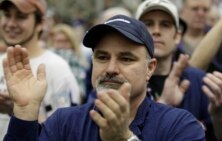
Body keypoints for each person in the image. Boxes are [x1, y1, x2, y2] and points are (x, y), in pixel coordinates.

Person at [3, 15, 205, 141]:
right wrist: (24, 113)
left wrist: (124, 139)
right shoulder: (64, 123)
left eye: (126, 58)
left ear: (149, 68)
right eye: (102, 57)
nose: (110, 69)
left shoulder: (179, 126)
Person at [135, 0, 222, 140]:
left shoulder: (200, 81)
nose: (156, 31)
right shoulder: (125, 82)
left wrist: (220, 113)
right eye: (148, 24)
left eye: (165, 25)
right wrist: (163, 105)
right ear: (136, 34)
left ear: (178, 36)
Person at [0, 0, 81, 140]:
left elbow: (66, 131)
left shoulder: (57, 68)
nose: (11, 24)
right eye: (7, 15)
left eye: (21, 16)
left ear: (41, 24)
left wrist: (22, 111)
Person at [49, 23, 89, 101]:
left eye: (65, 41)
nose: (61, 46)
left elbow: (80, 91)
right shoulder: (48, 59)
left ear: (72, 43)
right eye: (58, 41)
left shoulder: (77, 60)